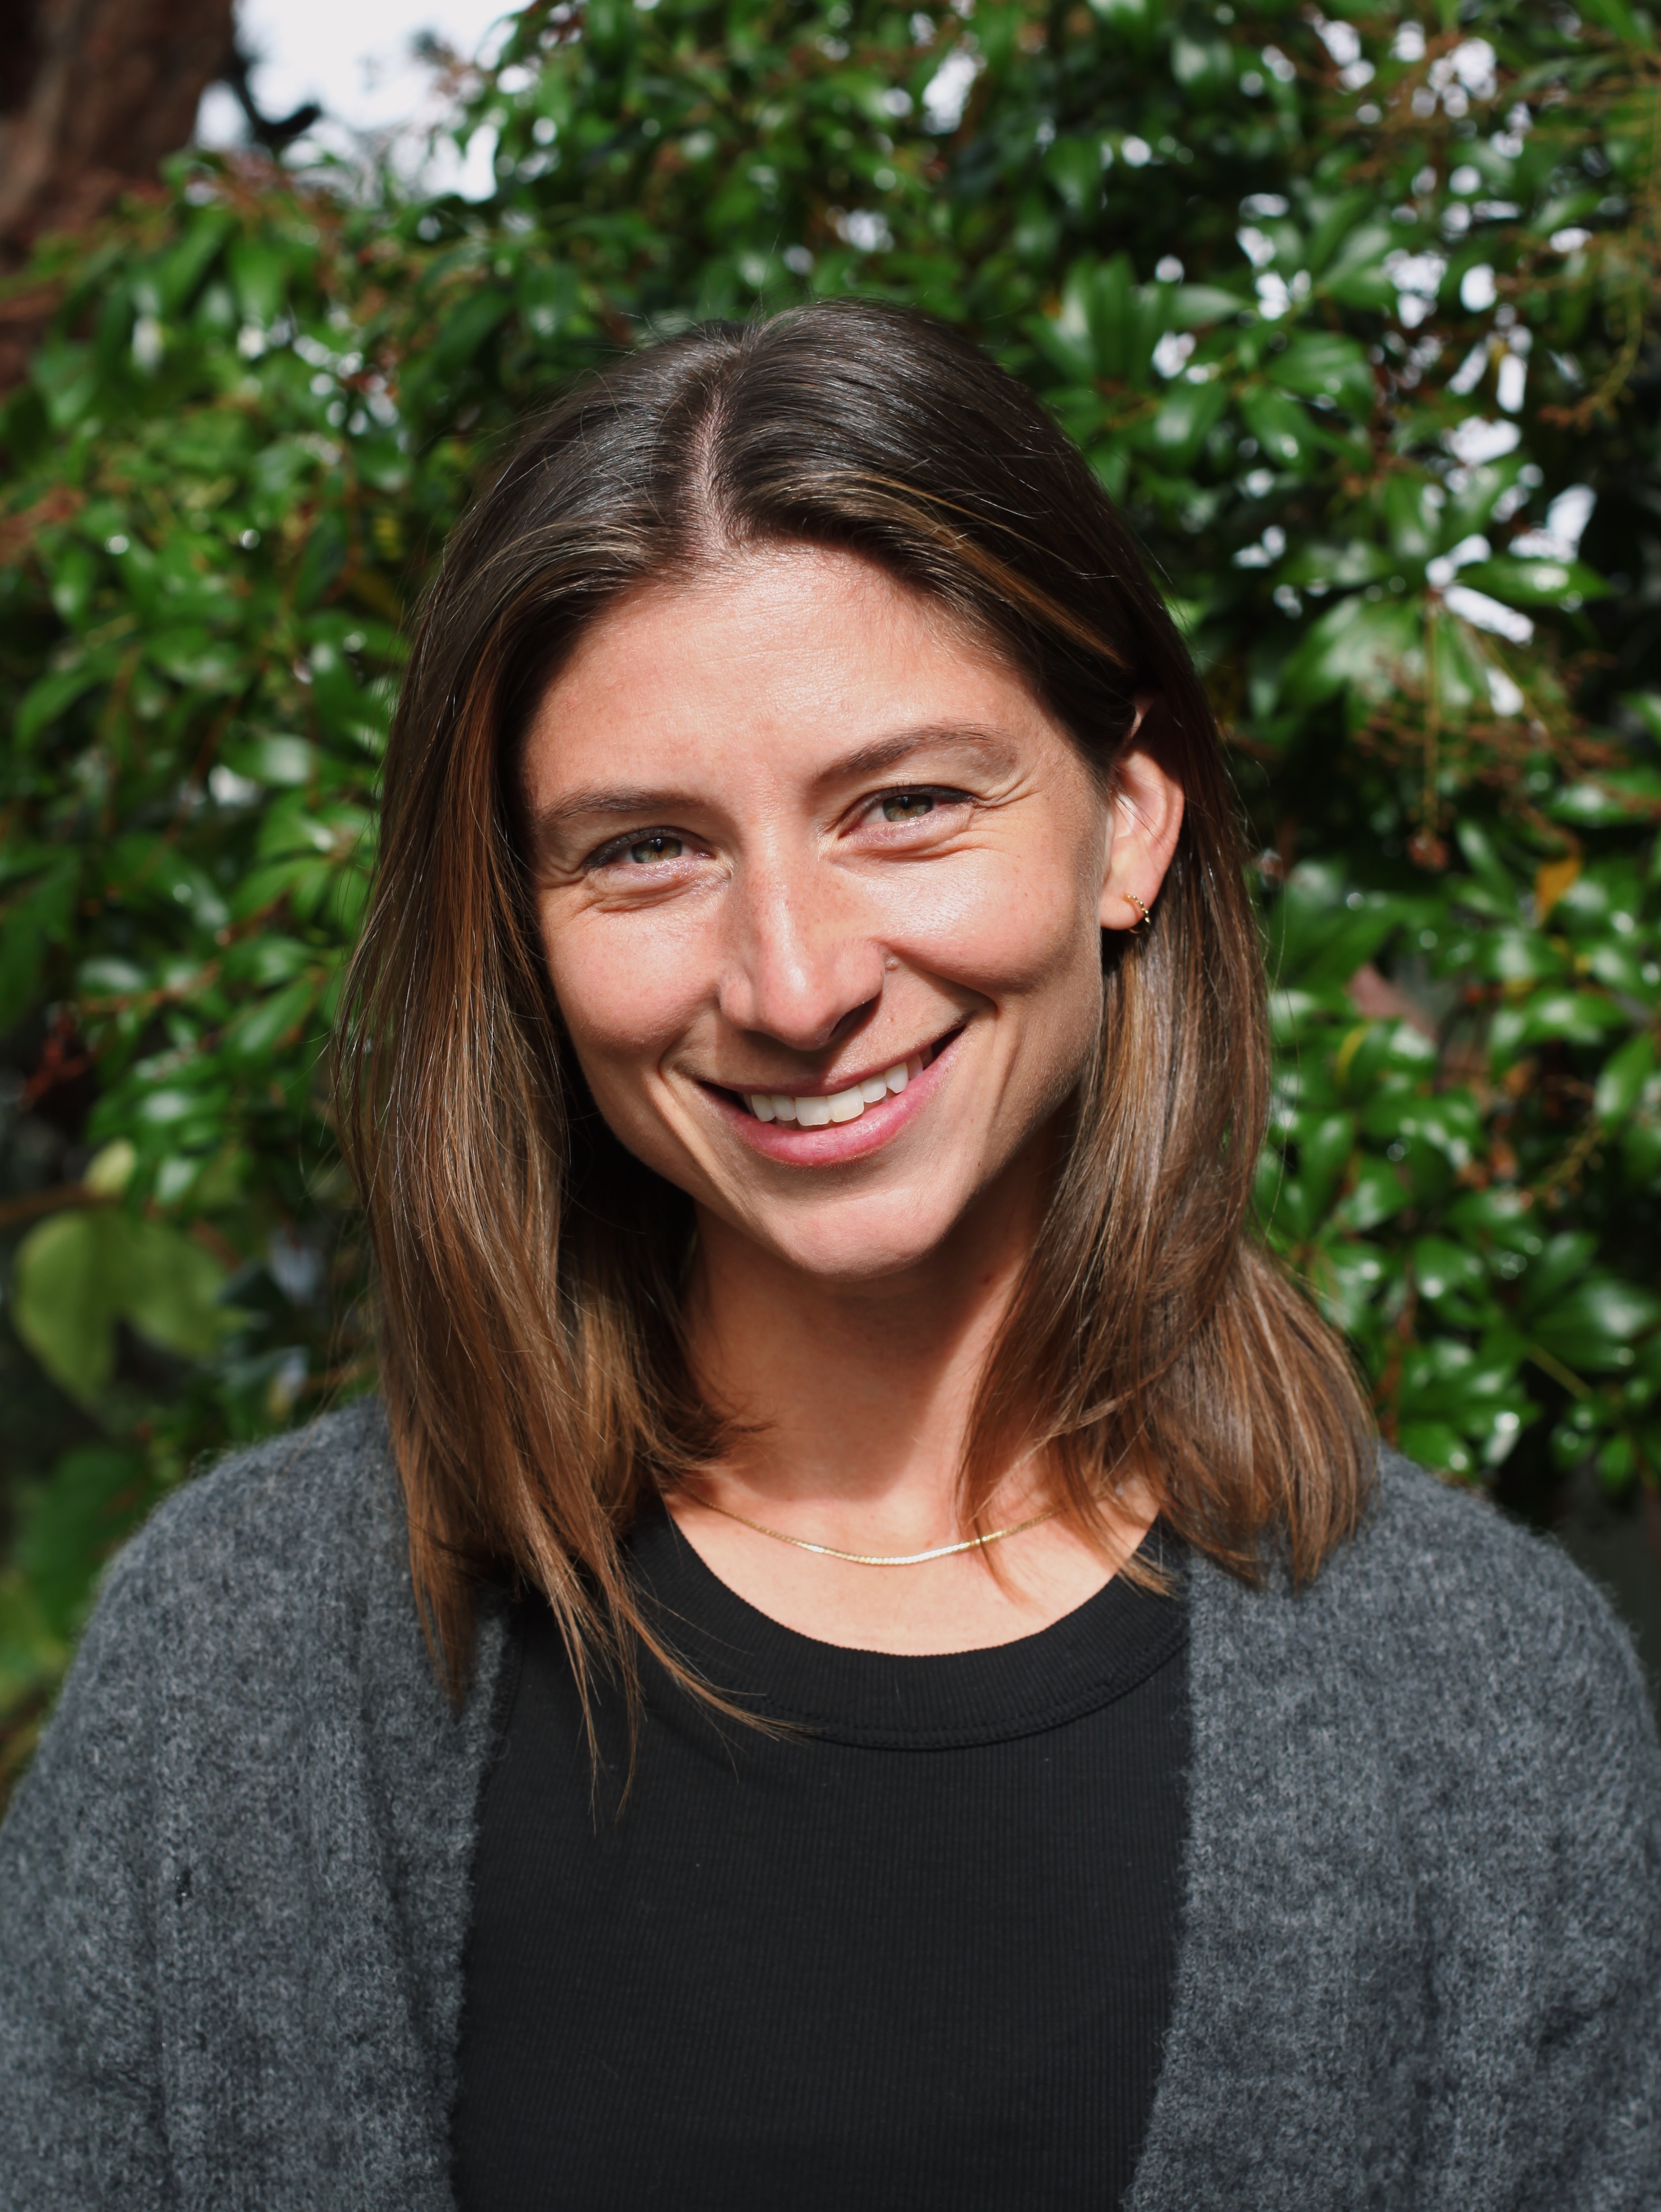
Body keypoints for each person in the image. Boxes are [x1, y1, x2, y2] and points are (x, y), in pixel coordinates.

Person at [1, 301, 1657, 2212]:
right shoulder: (239, 1665)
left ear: (1128, 823)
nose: (797, 984)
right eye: (646, 850)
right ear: (523, 926)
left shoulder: (1489, 1713)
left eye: (907, 805)